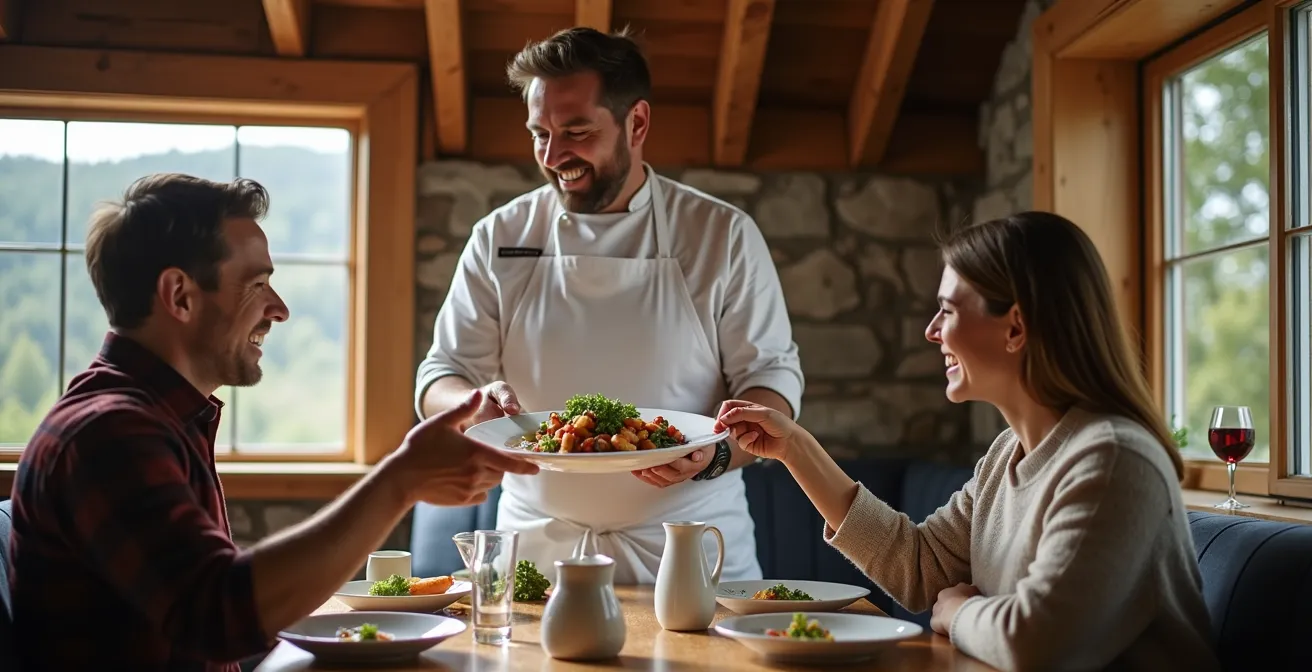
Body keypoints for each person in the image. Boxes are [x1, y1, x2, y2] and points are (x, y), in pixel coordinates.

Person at [6, 174, 538, 672]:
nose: (278, 309)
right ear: (180, 296)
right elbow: (221, 616)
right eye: (256, 284)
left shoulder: (154, 418)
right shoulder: (108, 435)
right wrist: (400, 480)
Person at [715, 212, 1222, 671]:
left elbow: (1038, 642)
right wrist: (793, 448)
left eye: (948, 311)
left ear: (1016, 327)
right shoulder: (1007, 454)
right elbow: (920, 567)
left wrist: (958, 613)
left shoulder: (1113, 462)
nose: (932, 332)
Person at [415, 26, 803, 584]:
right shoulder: (500, 236)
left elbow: (772, 384)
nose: (553, 157)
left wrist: (713, 455)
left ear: (637, 123)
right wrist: (474, 404)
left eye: (576, 131)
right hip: (538, 555)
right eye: (539, 133)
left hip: (691, 551)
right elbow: (440, 374)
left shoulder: (721, 235)